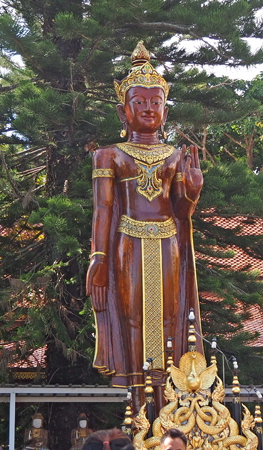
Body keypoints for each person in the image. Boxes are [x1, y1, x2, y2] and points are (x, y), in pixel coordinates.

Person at [86, 41, 203, 400]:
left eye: (157, 103)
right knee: (132, 319)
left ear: (166, 111)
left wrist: (193, 189)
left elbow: (181, 213)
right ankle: (138, 401)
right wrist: (99, 257)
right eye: (141, 102)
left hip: (167, 241)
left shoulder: (175, 155)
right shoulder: (109, 156)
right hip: (128, 244)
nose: (149, 109)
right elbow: (103, 209)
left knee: (170, 319)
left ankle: (167, 397)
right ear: (124, 112)